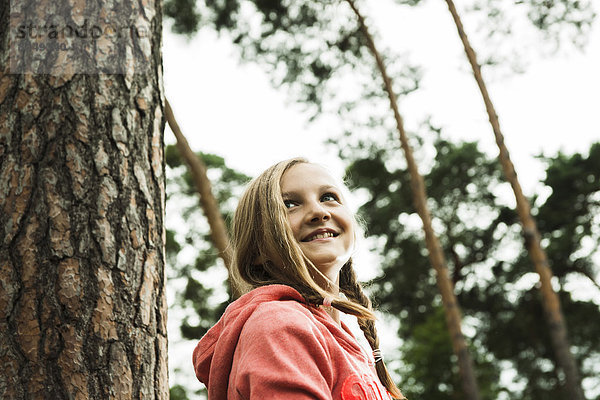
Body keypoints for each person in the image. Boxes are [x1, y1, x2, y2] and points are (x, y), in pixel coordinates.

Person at [192, 158, 405, 399]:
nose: (318, 212)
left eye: (328, 197)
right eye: (290, 204)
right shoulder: (278, 324)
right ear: (258, 251)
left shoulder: (344, 340)